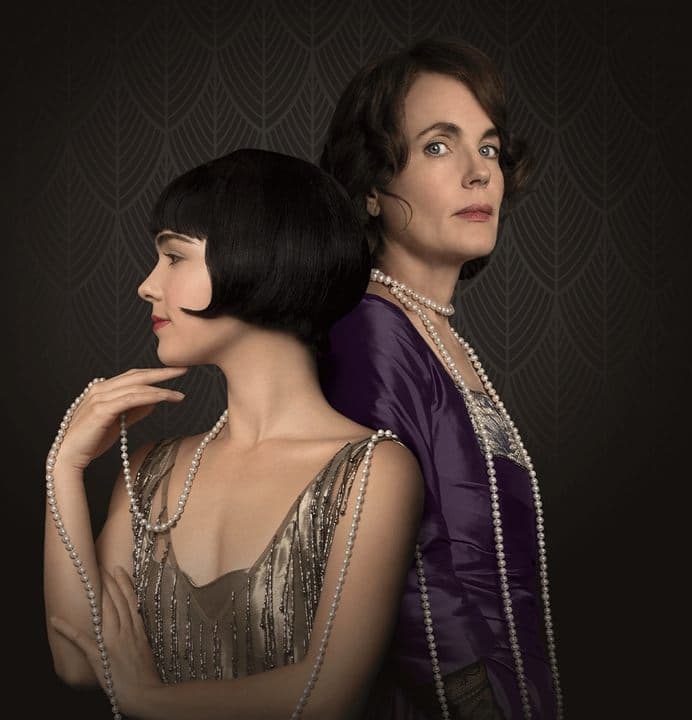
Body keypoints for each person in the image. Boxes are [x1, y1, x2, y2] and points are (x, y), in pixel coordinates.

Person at [43, 148, 423, 719]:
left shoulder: (374, 470)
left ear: (257, 260)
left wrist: (146, 699)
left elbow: (326, 699)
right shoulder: (148, 470)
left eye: (174, 256)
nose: (147, 285)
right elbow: (76, 661)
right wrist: (65, 467)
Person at [318, 39, 563, 719]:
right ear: (371, 188)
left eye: (489, 148)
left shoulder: (430, 332)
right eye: (437, 146)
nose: (479, 173)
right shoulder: (370, 333)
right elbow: (387, 572)